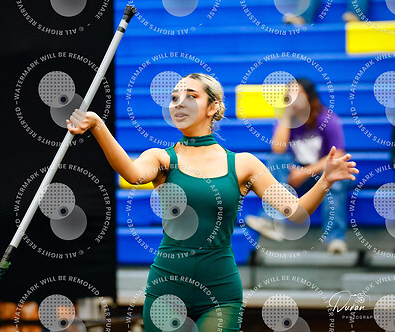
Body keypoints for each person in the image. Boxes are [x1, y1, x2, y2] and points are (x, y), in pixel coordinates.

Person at [66, 73, 358, 331]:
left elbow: (296, 212)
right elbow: (131, 173)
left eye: (191, 96)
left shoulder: (243, 164)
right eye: (174, 97)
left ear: (213, 107)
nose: (179, 102)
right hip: (167, 288)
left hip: (220, 292)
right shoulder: (161, 158)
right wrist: (98, 126)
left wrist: (326, 179)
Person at [245, 78, 350, 254]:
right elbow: (278, 150)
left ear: (309, 96)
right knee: (277, 160)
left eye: (298, 93)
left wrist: (305, 172)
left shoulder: (327, 119)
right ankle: (270, 220)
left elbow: (338, 154)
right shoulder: (287, 120)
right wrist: (286, 116)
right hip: (296, 175)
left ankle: (336, 239)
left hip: (323, 173)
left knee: (336, 182)